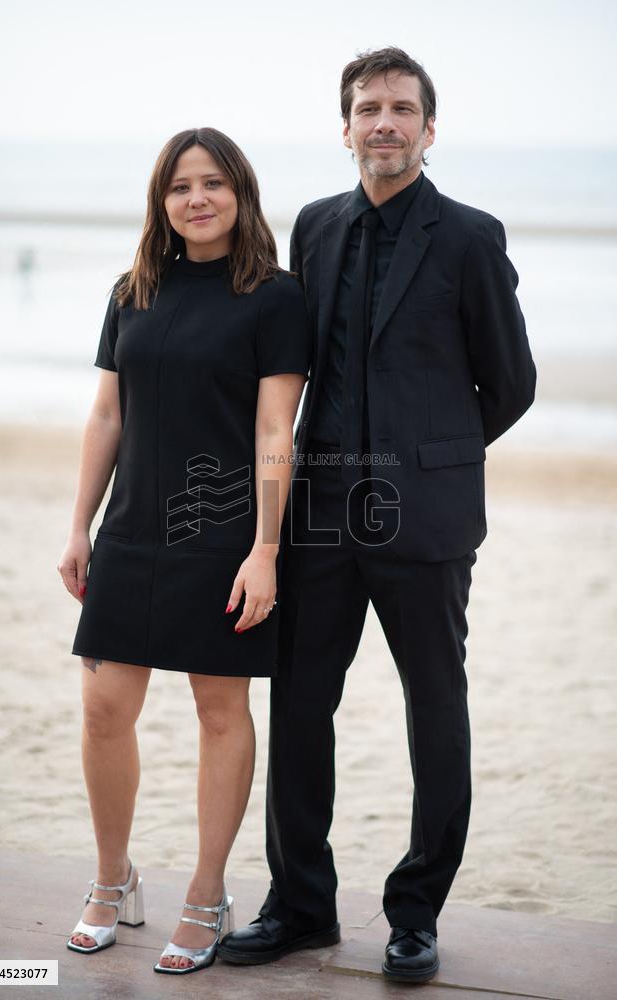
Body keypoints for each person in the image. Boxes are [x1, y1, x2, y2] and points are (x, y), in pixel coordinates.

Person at [218, 47, 536, 983]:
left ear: (430, 129)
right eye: (368, 108)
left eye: (401, 108)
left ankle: (416, 913)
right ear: (346, 128)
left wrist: (431, 455)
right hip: (319, 512)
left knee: (434, 709)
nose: (384, 122)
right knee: (299, 706)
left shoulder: (470, 237)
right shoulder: (316, 228)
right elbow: (293, 364)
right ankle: (301, 906)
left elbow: (510, 383)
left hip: (424, 518)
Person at [56, 127, 311, 975]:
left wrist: (265, 549)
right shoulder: (133, 290)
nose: (196, 199)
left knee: (219, 711)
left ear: (240, 193)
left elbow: (275, 430)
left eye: (212, 183)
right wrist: (79, 525)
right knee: (103, 709)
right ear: (161, 201)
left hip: (223, 536)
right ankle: (112, 879)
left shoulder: (275, 298)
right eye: (179, 186)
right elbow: (107, 414)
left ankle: (208, 893)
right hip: (130, 531)